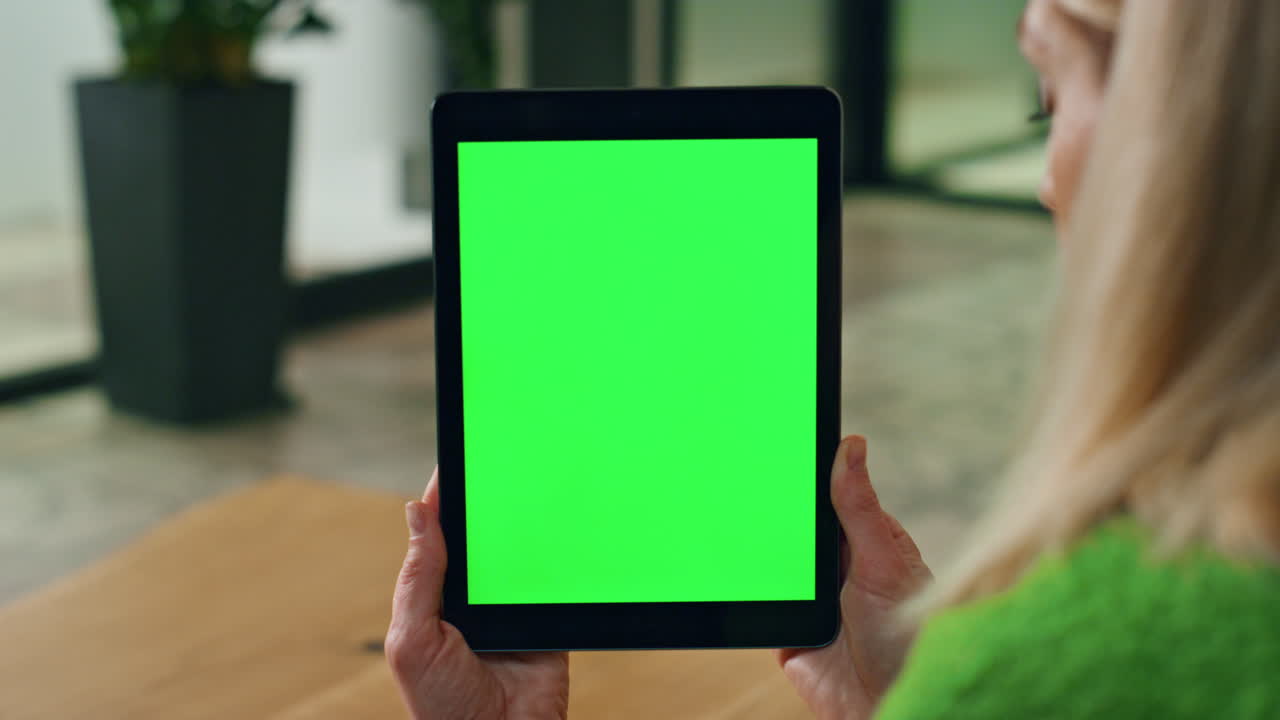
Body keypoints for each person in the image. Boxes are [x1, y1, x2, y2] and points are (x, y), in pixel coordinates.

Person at [385, 0, 1280, 715]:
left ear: (1187, 131)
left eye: (1049, 91)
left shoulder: (1070, 659)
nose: (1047, 177)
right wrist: (900, 700)